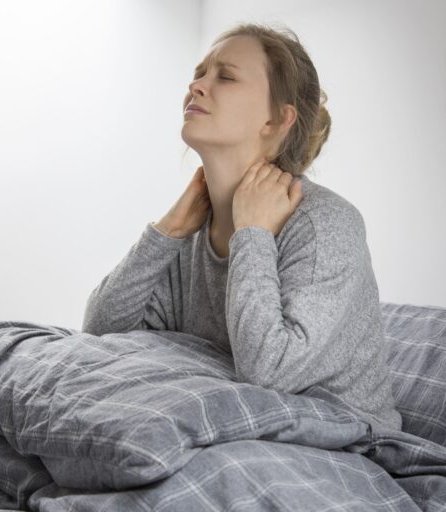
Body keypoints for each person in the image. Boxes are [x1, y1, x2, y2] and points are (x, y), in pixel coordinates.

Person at [82, 22, 402, 432]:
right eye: (200, 73)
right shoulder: (194, 230)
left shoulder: (326, 224)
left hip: (341, 442)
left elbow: (271, 372)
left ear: (275, 120)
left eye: (225, 77)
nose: (196, 85)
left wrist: (253, 235)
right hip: (240, 430)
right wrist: (168, 231)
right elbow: (100, 332)